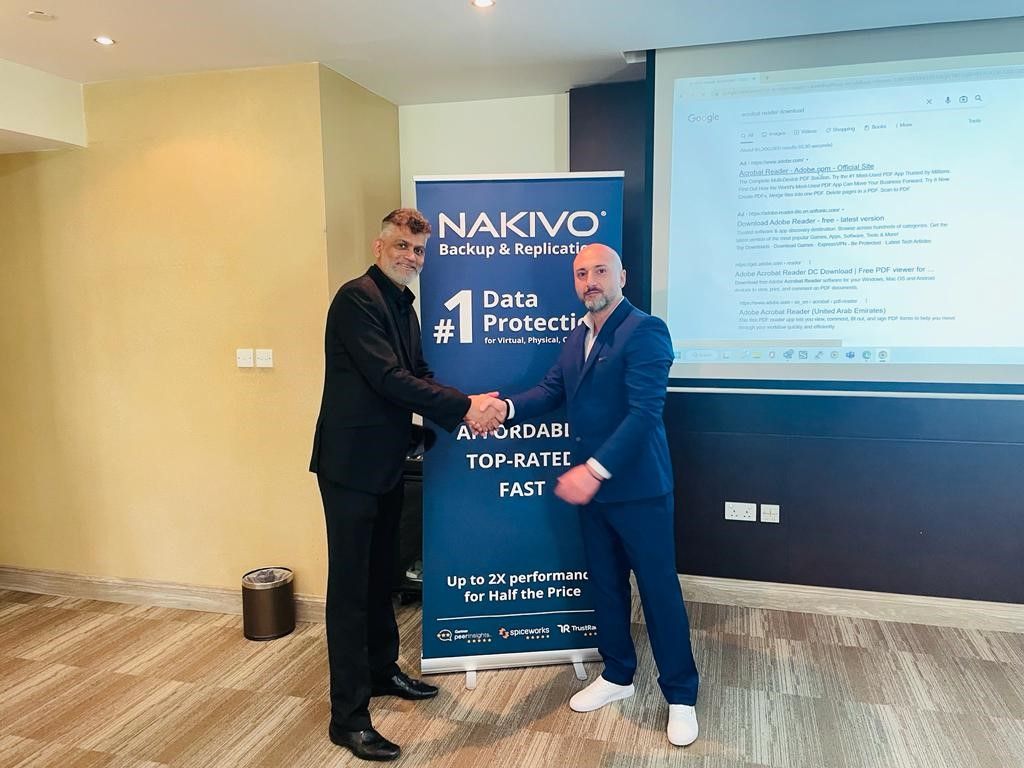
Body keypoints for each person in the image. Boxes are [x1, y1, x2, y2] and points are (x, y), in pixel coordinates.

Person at [482, 243, 701, 747]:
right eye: (581, 273)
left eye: (600, 271)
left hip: (639, 491)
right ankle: (618, 674)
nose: (590, 281)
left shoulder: (646, 330)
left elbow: (645, 413)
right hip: (595, 496)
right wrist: (504, 410)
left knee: (658, 592)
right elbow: (550, 391)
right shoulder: (577, 334)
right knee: (605, 585)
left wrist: (594, 472)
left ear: (622, 276)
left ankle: (681, 695)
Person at [309, 208, 500, 762]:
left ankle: (381, 670)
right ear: (379, 246)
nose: (411, 257)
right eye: (401, 246)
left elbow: (416, 374)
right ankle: (348, 718)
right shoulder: (356, 299)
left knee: (382, 577)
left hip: (388, 462)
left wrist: (461, 409)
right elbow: (388, 379)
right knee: (351, 590)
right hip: (349, 469)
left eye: (418, 250)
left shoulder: (404, 305)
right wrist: (465, 407)